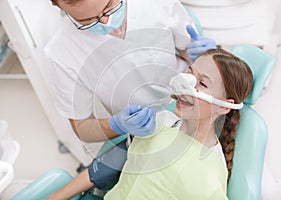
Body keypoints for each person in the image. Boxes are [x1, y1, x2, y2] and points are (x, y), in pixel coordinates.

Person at [45, 47, 253, 199]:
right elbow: (108, 164)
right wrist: (57, 196)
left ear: (225, 107)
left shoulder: (208, 174)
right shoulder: (160, 122)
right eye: (189, 74)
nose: (185, 84)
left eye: (202, 83)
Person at [45, 0, 216, 142]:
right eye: (88, 21)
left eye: (109, 7)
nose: (106, 22)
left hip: (196, 104)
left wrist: (202, 57)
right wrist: (116, 125)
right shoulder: (61, 52)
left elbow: (188, 49)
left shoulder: (154, 4)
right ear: (57, 5)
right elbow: (83, 128)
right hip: (146, 134)